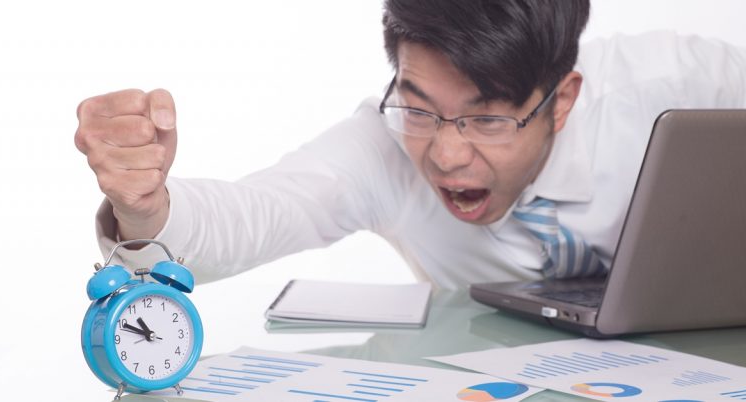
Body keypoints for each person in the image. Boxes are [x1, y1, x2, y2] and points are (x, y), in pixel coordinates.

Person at [74, 0, 746, 289]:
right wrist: (145, 208)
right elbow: (258, 213)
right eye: (421, 108)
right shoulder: (384, 145)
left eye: (487, 121)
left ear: (561, 100)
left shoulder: (678, 83)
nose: (447, 157)